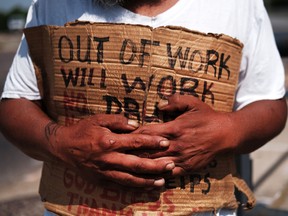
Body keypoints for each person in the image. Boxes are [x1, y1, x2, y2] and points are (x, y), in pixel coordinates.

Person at [0, 0, 287, 215]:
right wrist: (61, 143)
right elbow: (15, 103)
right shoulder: (52, 4)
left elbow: (270, 104)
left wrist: (228, 131)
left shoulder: (238, 5)